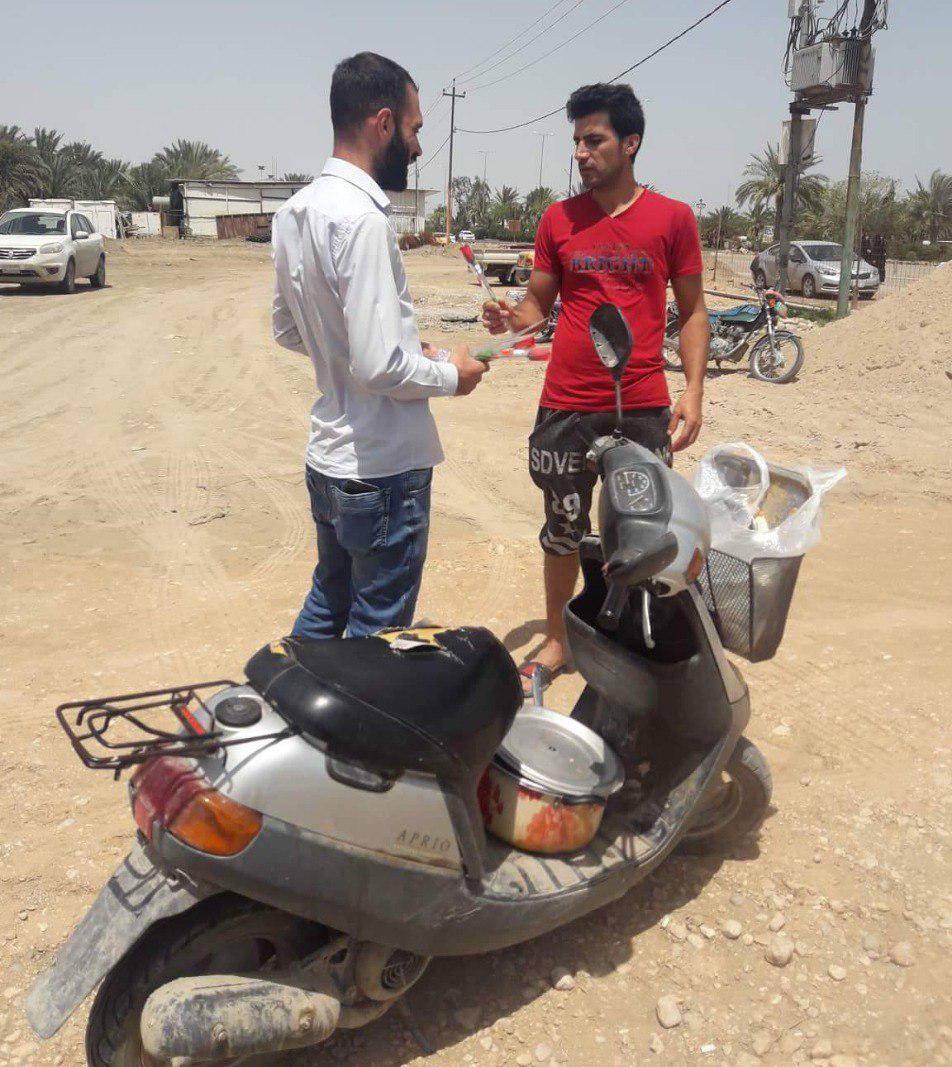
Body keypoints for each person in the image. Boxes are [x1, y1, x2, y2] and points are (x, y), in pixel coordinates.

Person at [482, 82, 709, 694]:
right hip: (566, 403)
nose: (581, 152)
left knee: (644, 530)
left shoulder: (672, 219)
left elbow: (692, 311)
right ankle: (559, 639)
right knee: (561, 525)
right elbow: (537, 305)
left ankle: (633, 639)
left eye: (594, 140)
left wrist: (693, 390)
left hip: (641, 405)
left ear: (630, 143)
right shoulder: (558, 219)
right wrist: (511, 319)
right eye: (577, 141)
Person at [272, 51, 488, 639]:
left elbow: (289, 328)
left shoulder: (295, 212)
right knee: (375, 634)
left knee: (328, 603)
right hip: (382, 471)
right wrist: (453, 375)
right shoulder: (364, 220)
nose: (417, 148)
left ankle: (291, 695)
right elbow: (377, 365)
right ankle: (338, 705)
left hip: (330, 463)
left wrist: (411, 349)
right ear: (383, 123)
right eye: (414, 130)